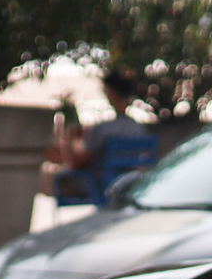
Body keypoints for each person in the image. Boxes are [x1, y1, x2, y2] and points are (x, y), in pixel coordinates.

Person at [51, 74, 156, 203]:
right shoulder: (139, 129)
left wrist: (71, 141)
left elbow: (77, 163)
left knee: (55, 175)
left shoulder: (102, 129)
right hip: (130, 183)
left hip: (99, 185)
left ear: (110, 94)